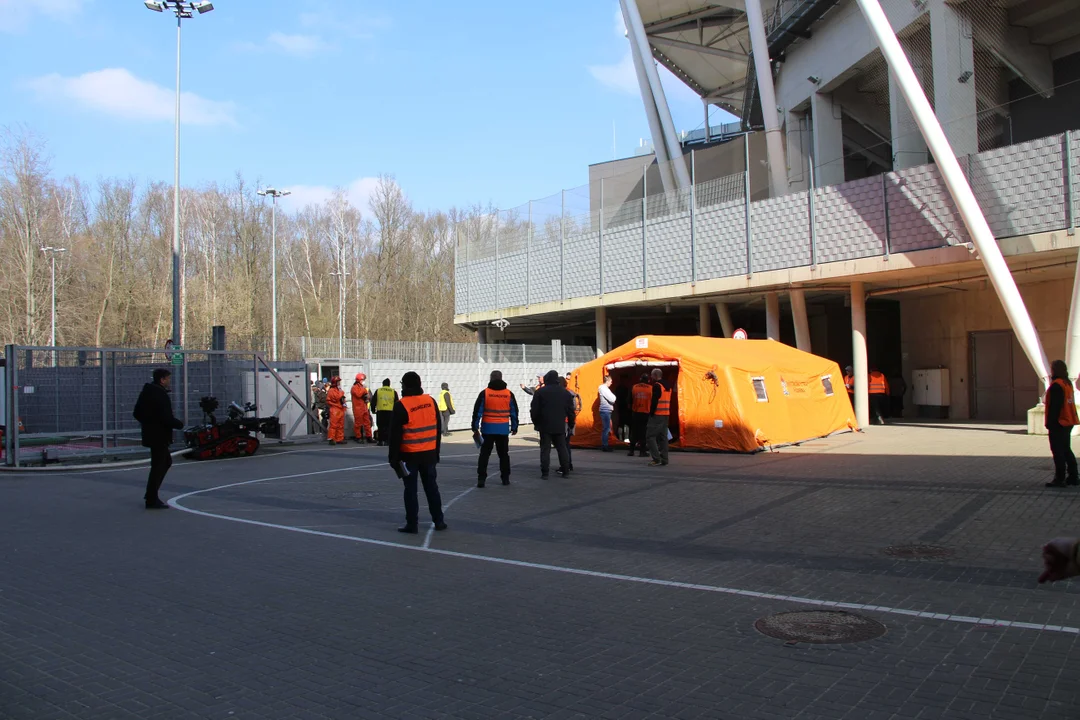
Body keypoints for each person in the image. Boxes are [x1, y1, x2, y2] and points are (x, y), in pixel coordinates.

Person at [387, 371, 446, 534]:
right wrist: (436, 452)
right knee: (432, 488)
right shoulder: (430, 401)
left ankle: (412, 524)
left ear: (405, 385)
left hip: (410, 454)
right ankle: (439, 520)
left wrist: (393, 459)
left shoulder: (401, 405)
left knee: (410, 490)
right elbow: (437, 429)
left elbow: (395, 436)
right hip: (429, 453)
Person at [133, 368, 184, 509]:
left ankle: (151, 494)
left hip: (152, 433)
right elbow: (165, 417)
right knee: (159, 465)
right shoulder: (159, 395)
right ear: (162, 379)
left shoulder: (147, 392)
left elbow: (137, 412)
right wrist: (178, 424)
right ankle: (151, 497)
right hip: (159, 435)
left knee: (165, 462)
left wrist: (148, 423)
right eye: (168, 379)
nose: (169, 381)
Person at [472, 370, 519, 487]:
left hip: (487, 429)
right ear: (501, 378)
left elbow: (477, 411)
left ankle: (481, 479)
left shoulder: (485, 393)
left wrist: (474, 426)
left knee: (484, 455)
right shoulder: (509, 394)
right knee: (503, 455)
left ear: (491, 378)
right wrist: (514, 426)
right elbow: (514, 412)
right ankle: (505, 478)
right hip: (502, 430)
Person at [530, 369, 575, 478]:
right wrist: (571, 424)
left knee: (545, 449)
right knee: (562, 448)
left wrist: (536, 422)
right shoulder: (565, 393)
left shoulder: (540, 392)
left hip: (544, 425)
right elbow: (570, 410)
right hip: (559, 424)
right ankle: (565, 471)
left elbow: (534, 410)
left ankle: (545, 473)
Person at [1044, 359, 1079, 488]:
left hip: (1059, 422)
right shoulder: (1067, 383)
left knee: (1058, 451)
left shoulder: (1056, 385)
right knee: (1066, 449)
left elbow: (1055, 407)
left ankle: (1060, 478)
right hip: (1068, 421)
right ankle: (1073, 476)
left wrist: (1050, 423)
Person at [646, 368, 671, 467]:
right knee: (663, 437)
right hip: (666, 414)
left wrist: (651, 413)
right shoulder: (667, 385)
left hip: (657, 414)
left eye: (652, 376)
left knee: (650, 436)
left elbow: (654, 401)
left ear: (656, 376)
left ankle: (656, 459)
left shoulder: (657, 386)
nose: (651, 377)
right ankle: (664, 458)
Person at [629, 373, 652, 458]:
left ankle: (631, 451)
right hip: (646, 413)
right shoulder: (650, 388)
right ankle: (642, 451)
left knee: (634, 432)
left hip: (636, 412)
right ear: (648, 380)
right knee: (643, 433)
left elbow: (629, 400)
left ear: (640, 379)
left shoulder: (634, 387)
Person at [560, 377, 581, 471]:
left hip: (565, 422)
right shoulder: (570, 393)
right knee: (566, 444)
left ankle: (566, 466)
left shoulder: (564, 394)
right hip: (569, 422)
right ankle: (569, 464)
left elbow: (569, 410)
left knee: (563, 445)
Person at [371, 378, 398, 446]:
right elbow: (397, 402)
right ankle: (388, 441)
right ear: (389, 384)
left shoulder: (378, 391)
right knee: (389, 427)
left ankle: (380, 441)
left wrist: (373, 410)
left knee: (380, 426)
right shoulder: (393, 391)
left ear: (383, 384)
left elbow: (373, 401)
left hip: (381, 411)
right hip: (390, 412)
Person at [351, 373, 372, 443]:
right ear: (359, 380)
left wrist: (367, 395)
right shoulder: (354, 388)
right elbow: (358, 394)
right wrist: (365, 391)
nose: (364, 381)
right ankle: (358, 437)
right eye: (363, 380)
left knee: (367, 423)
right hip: (358, 408)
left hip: (364, 407)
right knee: (358, 424)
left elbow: (367, 396)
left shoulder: (362, 387)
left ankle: (369, 437)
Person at [597, 374, 616, 452]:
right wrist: (614, 397)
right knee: (606, 428)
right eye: (611, 381)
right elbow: (612, 399)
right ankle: (605, 445)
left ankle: (605, 444)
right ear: (607, 381)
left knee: (607, 428)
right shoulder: (604, 388)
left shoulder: (604, 388)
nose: (611, 383)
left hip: (606, 410)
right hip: (605, 410)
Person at [325, 376, 346, 445]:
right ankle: (331, 438)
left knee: (340, 425)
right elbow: (328, 401)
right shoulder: (331, 391)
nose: (339, 383)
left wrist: (344, 405)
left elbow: (342, 399)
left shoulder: (339, 390)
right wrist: (335, 405)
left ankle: (339, 438)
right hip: (335, 409)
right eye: (338, 382)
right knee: (333, 425)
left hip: (340, 409)